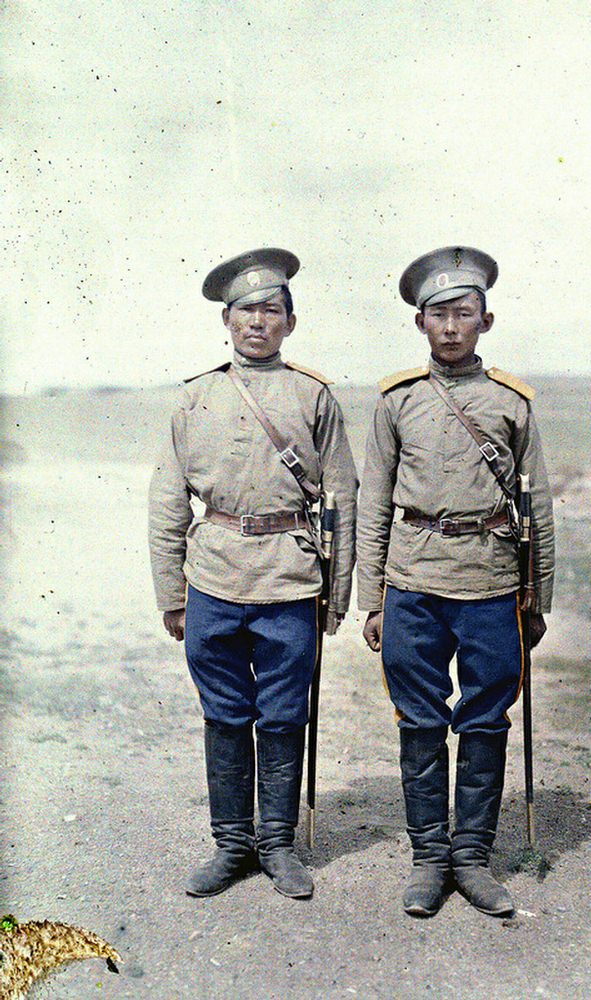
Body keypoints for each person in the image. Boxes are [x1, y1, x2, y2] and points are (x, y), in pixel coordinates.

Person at [148, 248, 357, 901]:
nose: (257, 322)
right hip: (211, 578)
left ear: (289, 323)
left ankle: (276, 844)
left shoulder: (312, 397)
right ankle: (232, 844)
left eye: (271, 310)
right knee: (223, 714)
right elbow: (165, 500)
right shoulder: (195, 397)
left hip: (290, 583)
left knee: (283, 714)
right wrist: (171, 593)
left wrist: (337, 594)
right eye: (246, 311)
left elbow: (343, 497)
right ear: (226, 320)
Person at [357, 245, 555, 918]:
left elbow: (537, 507)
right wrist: (372, 599)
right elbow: (373, 504)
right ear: (419, 324)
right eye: (436, 314)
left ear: (485, 321)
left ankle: (471, 857)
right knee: (418, 720)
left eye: (462, 314)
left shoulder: (510, 405)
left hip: (492, 583)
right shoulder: (397, 403)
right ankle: (428, 858)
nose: (449, 327)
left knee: (483, 719)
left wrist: (537, 599)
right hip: (412, 583)